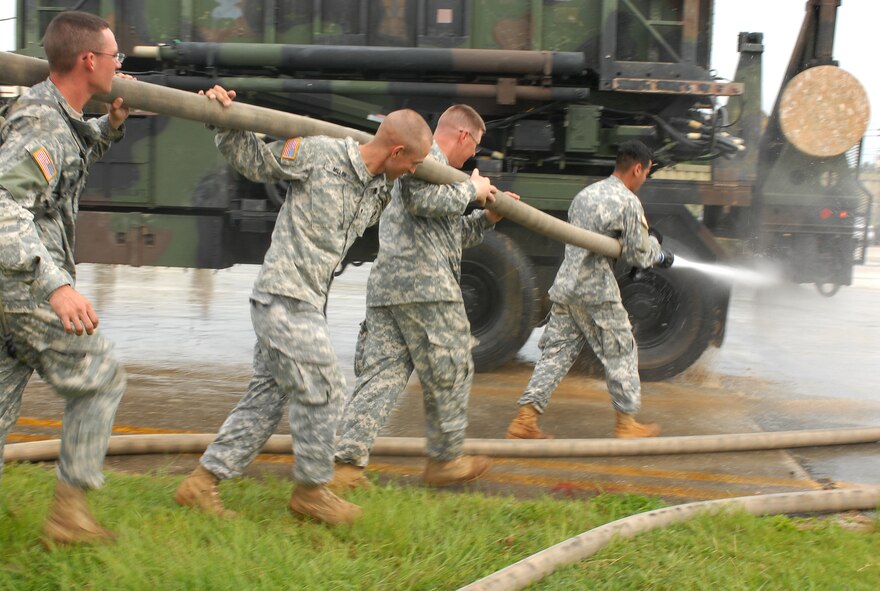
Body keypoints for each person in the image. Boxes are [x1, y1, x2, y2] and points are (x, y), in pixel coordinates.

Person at [173, 90, 433, 525]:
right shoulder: (318, 153)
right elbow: (256, 161)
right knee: (327, 387)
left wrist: (474, 190)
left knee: (265, 400)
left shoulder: (380, 188)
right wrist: (225, 118)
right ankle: (312, 491)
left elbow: (420, 184)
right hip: (282, 297)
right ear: (398, 151)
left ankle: (200, 485)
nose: (412, 170)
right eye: (412, 162)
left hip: (308, 303)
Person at [0, 11, 131, 544]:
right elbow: (5, 201)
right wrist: (56, 286)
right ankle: (67, 517)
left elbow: (64, 163)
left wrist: (112, 126)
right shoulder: (44, 123)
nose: (120, 63)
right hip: (22, 280)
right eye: (115, 55)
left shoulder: (58, 114)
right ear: (88, 60)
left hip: (15, 275)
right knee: (100, 375)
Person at [331, 104, 503, 491]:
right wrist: (471, 190)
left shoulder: (432, 166)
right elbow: (421, 203)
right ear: (463, 136)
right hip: (426, 288)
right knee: (452, 366)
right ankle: (445, 460)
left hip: (392, 288)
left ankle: (346, 467)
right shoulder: (426, 158)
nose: (472, 155)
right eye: (474, 145)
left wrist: (484, 220)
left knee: (382, 376)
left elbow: (445, 233)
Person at [505, 140, 673, 440]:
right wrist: (659, 253)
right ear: (637, 169)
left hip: (567, 283)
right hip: (596, 287)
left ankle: (525, 420)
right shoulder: (628, 202)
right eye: (646, 173)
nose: (644, 180)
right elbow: (638, 254)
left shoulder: (585, 194)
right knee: (622, 348)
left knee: (556, 353)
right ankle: (626, 424)